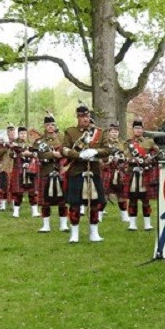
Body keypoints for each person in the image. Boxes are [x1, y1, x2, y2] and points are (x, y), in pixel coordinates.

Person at [61, 104, 111, 243]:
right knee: (75, 204)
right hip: (76, 172)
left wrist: (95, 152)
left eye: (88, 116)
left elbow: (107, 150)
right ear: (77, 117)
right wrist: (79, 155)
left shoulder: (100, 132)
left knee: (96, 203)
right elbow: (63, 150)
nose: (85, 119)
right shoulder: (70, 132)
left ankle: (94, 233)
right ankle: (74, 234)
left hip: (93, 171)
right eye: (82, 117)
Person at [33, 112, 67, 233]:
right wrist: (53, 154)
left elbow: (68, 150)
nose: (50, 127)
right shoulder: (40, 141)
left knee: (62, 201)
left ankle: (63, 225)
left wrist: (61, 154)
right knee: (45, 201)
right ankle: (46, 225)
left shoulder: (63, 138)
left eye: (52, 124)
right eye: (48, 125)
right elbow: (40, 154)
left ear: (55, 125)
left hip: (61, 170)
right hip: (46, 171)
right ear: (44, 126)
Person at [125, 119, 160, 232]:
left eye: (140, 128)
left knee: (146, 199)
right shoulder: (128, 143)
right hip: (132, 172)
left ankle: (147, 224)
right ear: (133, 129)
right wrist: (131, 159)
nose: (138, 130)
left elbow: (157, 154)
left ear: (142, 129)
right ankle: (132, 224)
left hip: (145, 172)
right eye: (136, 128)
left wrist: (150, 157)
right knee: (132, 199)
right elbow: (122, 156)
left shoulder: (149, 142)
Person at [8, 126, 39, 218]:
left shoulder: (31, 143)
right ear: (18, 134)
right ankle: (16, 212)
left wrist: (31, 154)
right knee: (18, 191)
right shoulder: (14, 144)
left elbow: (37, 153)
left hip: (31, 169)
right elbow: (11, 155)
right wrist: (13, 152)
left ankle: (35, 211)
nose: (23, 135)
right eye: (21, 133)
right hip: (19, 169)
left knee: (32, 191)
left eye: (24, 133)